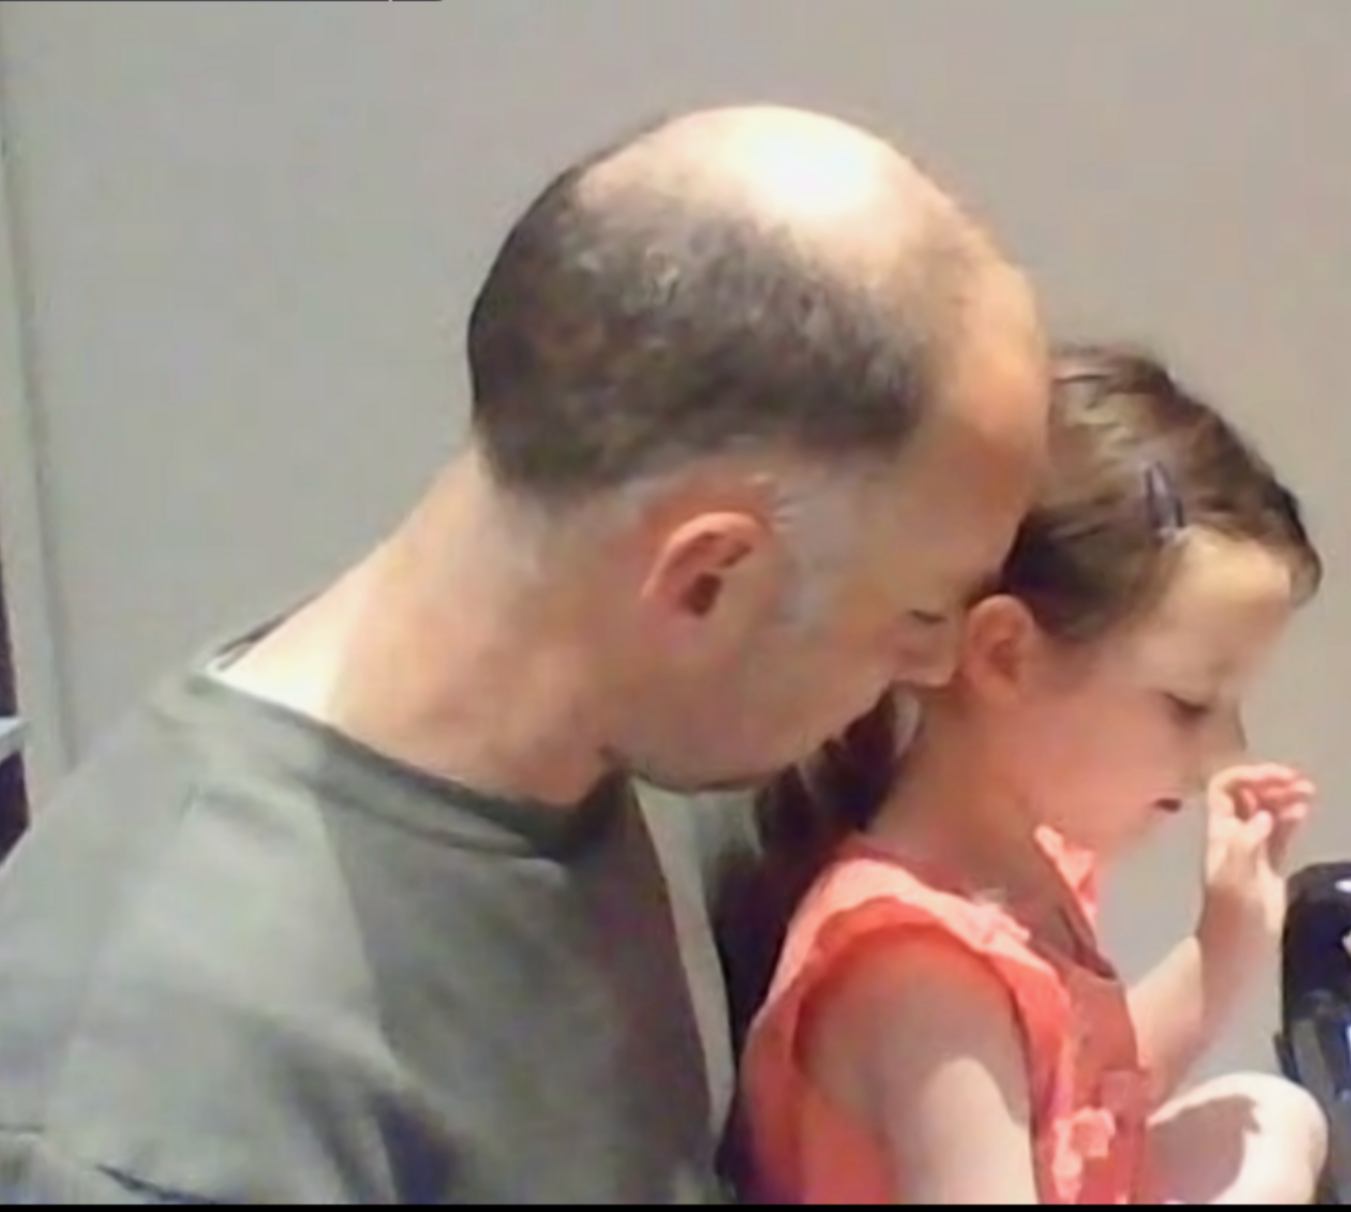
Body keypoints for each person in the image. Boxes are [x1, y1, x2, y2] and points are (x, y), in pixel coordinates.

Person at [0, 104, 1051, 1203]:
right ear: (705, 582)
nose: (934, 676)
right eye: (919, 621)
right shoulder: (165, 1103)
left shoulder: (624, 754)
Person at [732, 344, 1332, 1204]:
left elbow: (1086, 1118)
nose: (1222, 755)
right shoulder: (925, 983)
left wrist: (1222, 946)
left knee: (1273, 1114)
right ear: (1006, 655)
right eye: (1189, 704)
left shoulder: (1018, 870)